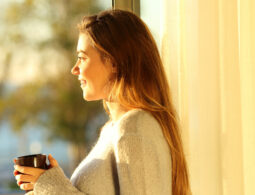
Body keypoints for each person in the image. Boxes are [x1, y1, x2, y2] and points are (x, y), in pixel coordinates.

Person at [13, 9, 191, 195]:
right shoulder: (114, 130)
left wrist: (53, 186)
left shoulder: (135, 128)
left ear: (114, 62)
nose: (75, 69)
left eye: (82, 57)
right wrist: (48, 187)